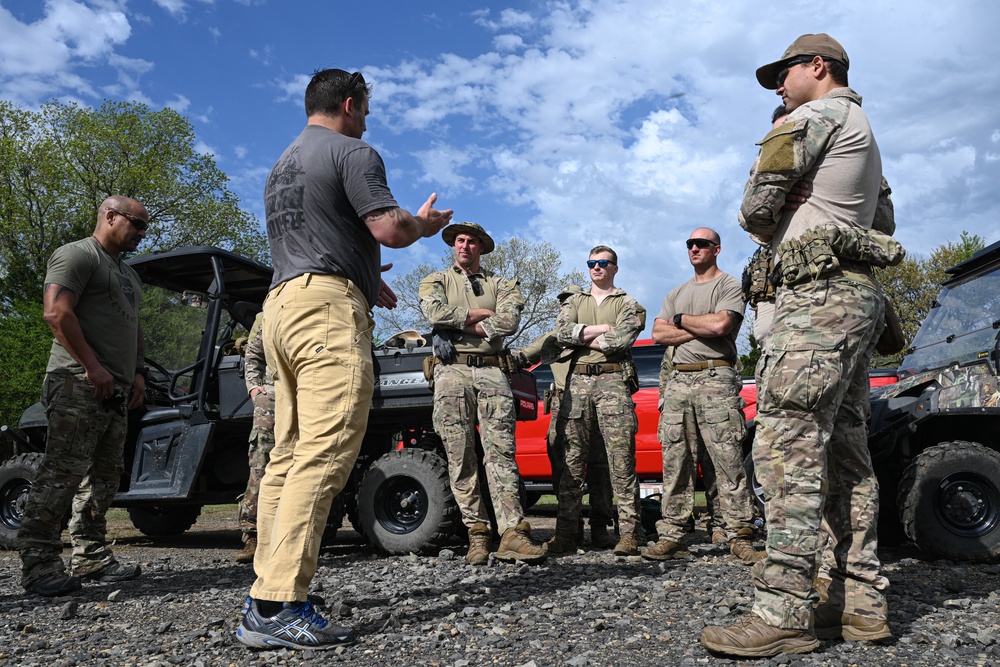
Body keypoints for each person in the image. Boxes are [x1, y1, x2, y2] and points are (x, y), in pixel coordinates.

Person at [702, 34, 904, 658]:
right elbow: (885, 223)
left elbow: (753, 212)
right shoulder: (862, 129)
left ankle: (784, 607)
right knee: (845, 451)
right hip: (853, 297)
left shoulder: (812, 116)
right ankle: (859, 601)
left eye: (784, 74)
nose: (779, 88)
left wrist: (784, 201)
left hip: (815, 301)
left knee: (786, 443)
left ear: (817, 67)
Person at [237, 68, 453, 651]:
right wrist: (424, 225)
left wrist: (360, 274)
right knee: (326, 453)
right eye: (366, 109)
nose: (368, 120)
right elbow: (389, 227)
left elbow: (320, 238)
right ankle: (283, 604)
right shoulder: (353, 151)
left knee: (286, 457)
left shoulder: (283, 163)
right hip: (323, 312)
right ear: (350, 104)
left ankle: (265, 594)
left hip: (282, 305)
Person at [18, 196, 149, 597]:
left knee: (104, 478)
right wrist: (93, 366)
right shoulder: (77, 255)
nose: (143, 234)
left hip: (117, 389)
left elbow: (133, 328)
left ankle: (90, 556)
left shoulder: (129, 274)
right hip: (78, 382)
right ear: (110, 216)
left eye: (146, 227)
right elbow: (57, 313)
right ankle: (39, 564)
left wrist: (138, 374)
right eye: (138, 225)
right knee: (62, 474)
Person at [418, 222, 547, 566]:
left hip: (492, 370)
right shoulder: (436, 280)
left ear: (481, 247)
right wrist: (480, 315)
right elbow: (433, 312)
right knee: (461, 456)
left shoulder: (502, 284)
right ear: (453, 246)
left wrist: (455, 324)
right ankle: (477, 534)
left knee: (501, 453)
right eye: (459, 240)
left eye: (471, 241)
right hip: (450, 371)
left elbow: (509, 321)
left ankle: (512, 534)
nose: (465, 246)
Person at [641, 228, 763, 564]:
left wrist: (679, 321)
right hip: (678, 381)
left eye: (702, 244)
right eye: (690, 244)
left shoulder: (729, 286)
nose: (694, 248)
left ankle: (740, 533)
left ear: (716, 249)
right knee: (675, 462)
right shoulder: (676, 291)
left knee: (728, 460)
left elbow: (721, 326)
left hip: (716, 377)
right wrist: (695, 324)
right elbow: (657, 332)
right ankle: (673, 535)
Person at [547, 246, 645, 556]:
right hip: (577, 382)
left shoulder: (629, 303)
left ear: (615, 267)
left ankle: (628, 534)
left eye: (603, 263)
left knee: (621, 460)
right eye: (592, 263)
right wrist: (602, 329)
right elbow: (561, 334)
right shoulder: (575, 301)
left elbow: (623, 339)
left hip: (613, 381)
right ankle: (565, 534)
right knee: (572, 462)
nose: (597, 268)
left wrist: (584, 335)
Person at [513, 329, 616, 549]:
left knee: (601, 470)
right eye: (562, 301)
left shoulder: (601, 333)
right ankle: (569, 531)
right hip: (564, 405)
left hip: (599, 403)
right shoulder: (554, 336)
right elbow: (522, 357)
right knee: (564, 471)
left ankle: (600, 530)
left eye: (570, 301)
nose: (564, 306)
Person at [235, 312, 274, 564]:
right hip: (272, 394)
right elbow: (254, 353)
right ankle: (252, 535)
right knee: (262, 461)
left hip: (308, 392)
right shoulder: (270, 310)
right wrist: (254, 387)